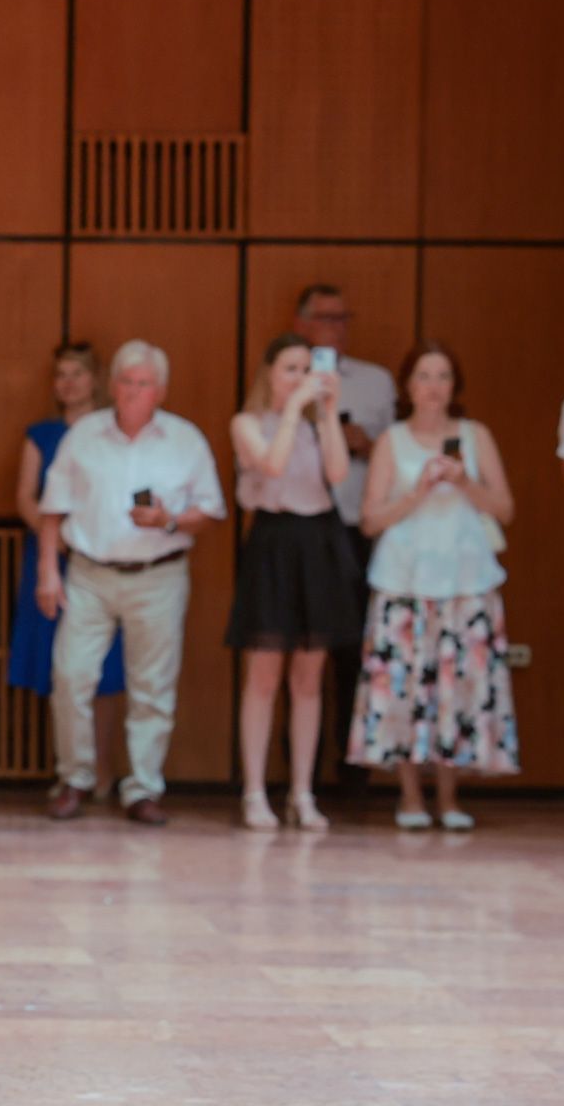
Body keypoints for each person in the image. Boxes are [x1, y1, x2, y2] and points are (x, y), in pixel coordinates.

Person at [37, 339, 227, 826]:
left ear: (160, 390)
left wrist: (169, 520)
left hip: (157, 576)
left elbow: (210, 511)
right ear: (113, 385)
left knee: (152, 687)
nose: (133, 390)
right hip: (89, 575)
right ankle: (75, 778)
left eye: (144, 383)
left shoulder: (185, 439)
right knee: (71, 676)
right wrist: (47, 571)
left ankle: (143, 788)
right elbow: (52, 507)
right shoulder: (84, 434)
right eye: (126, 380)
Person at [349, 342, 518, 829]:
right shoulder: (392, 440)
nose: (433, 387)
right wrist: (418, 491)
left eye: (443, 376)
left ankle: (449, 796)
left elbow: (505, 509)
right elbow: (370, 520)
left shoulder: (475, 436)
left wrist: (464, 482)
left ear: (454, 385)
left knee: (458, 688)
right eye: (424, 376)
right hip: (405, 580)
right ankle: (409, 796)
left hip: (466, 580)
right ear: (408, 385)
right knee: (404, 686)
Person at [225, 334, 363, 832]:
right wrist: (291, 410)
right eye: (291, 368)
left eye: (308, 368)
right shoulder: (247, 423)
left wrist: (325, 414)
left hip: (318, 542)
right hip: (273, 543)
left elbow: (339, 472)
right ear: (269, 373)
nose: (301, 378)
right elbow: (272, 464)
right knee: (263, 676)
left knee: (308, 680)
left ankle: (303, 792)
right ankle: (255, 792)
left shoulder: (316, 423)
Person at [5, 342, 125, 792]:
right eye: (61, 375)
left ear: (96, 379)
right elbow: (25, 497)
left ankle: (105, 771)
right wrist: (60, 540)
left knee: (107, 670)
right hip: (52, 557)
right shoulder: (42, 434)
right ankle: (70, 772)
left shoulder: (114, 430)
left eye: (77, 373)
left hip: (105, 559)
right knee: (61, 666)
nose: (68, 383)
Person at [291, 284, 396, 785]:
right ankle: (300, 771)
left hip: (356, 529)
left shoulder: (376, 381)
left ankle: (352, 769)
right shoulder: (287, 376)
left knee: (353, 649)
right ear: (302, 324)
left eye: (342, 318)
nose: (335, 327)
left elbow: (400, 457)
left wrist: (366, 444)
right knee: (298, 648)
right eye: (325, 318)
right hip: (298, 528)